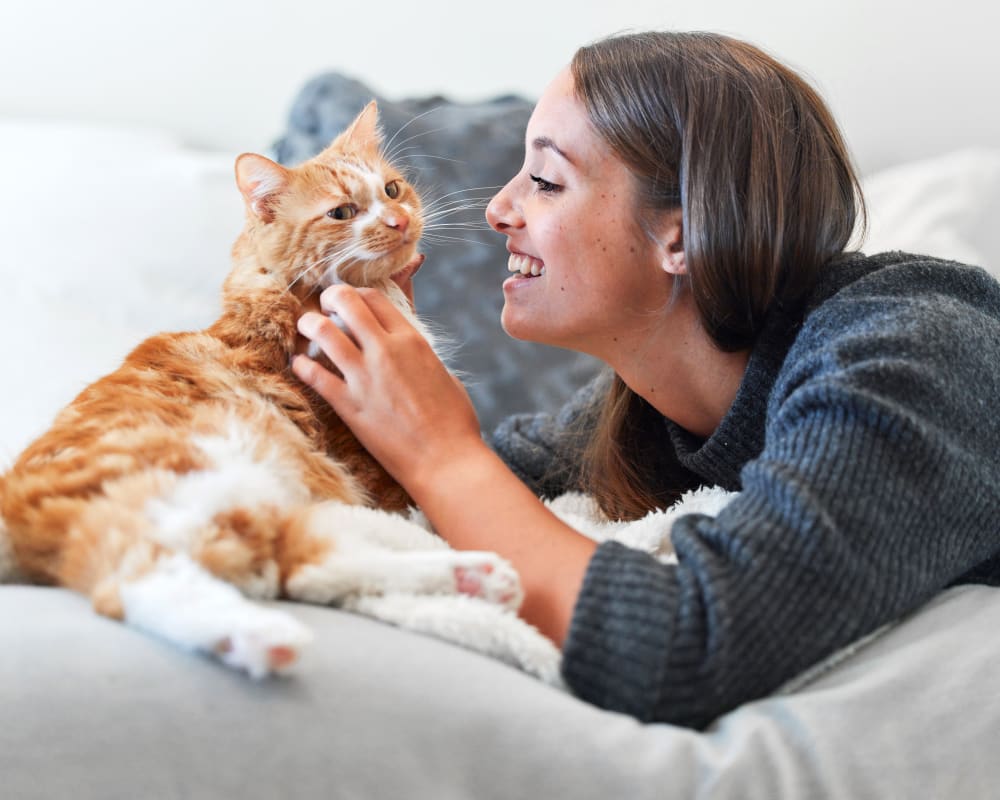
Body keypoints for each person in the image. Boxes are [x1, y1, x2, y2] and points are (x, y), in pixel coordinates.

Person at [292, 30, 1000, 729]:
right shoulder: (645, 409)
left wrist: (443, 453)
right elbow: (445, 501)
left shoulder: (916, 350)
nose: (497, 210)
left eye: (544, 180)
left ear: (684, 234)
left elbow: (686, 650)